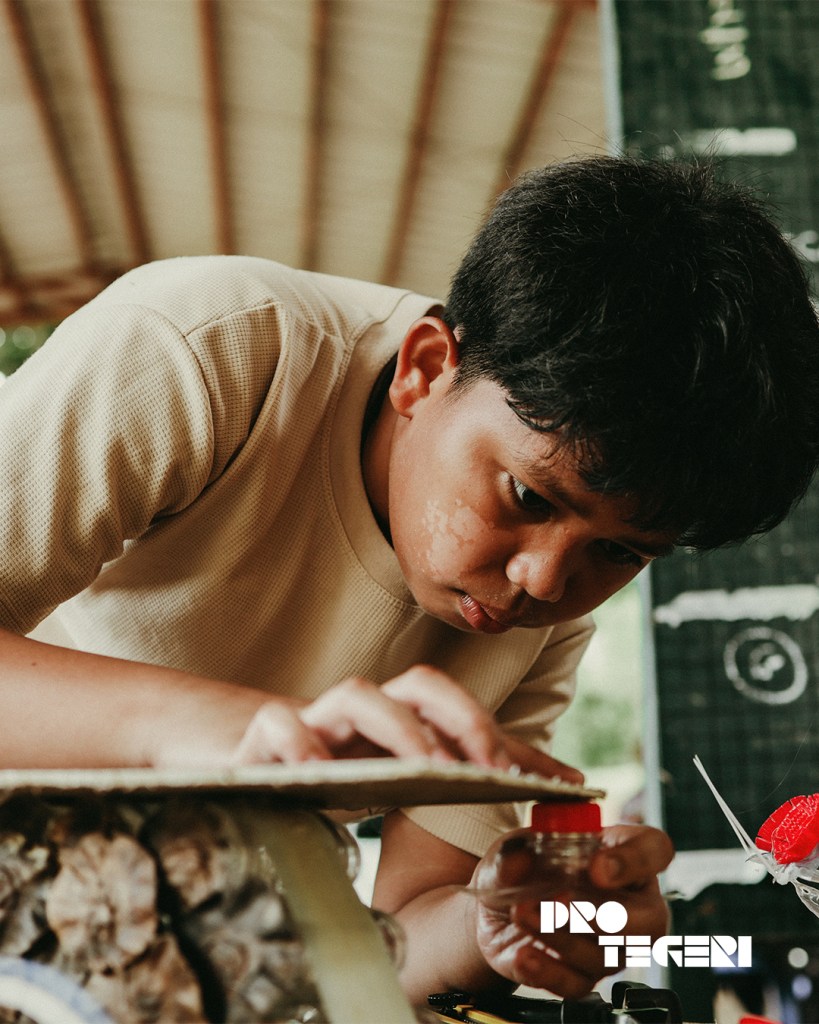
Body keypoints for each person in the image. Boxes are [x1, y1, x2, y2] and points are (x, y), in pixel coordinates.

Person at [0, 155, 816, 1003]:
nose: (542, 581)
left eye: (620, 552)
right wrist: (233, 735)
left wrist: (494, 925)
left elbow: (394, 949)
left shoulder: (538, 626)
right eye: (528, 496)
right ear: (423, 369)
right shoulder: (210, 348)